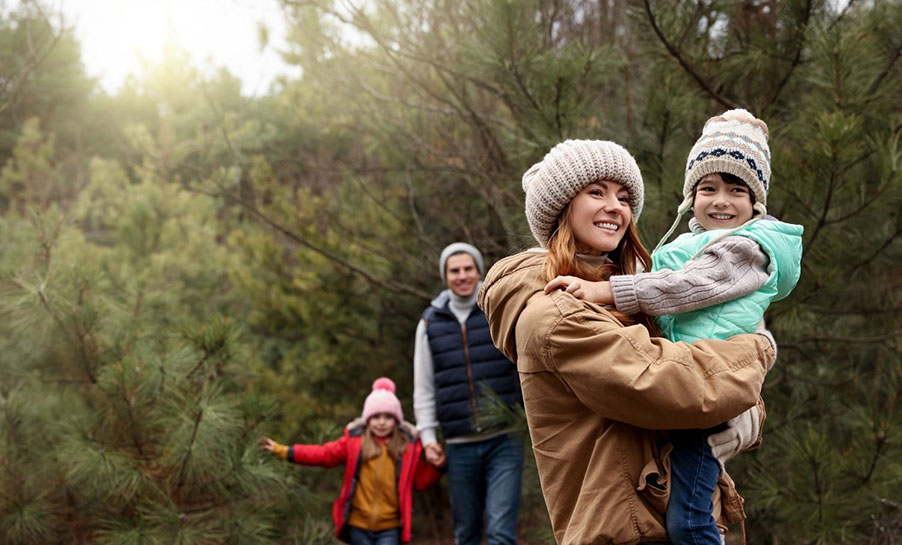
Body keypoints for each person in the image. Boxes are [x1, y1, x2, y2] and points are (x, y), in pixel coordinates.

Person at [477, 139, 776, 545]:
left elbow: (705, 390)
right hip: (625, 528)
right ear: (561, 207)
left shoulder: (614, 292)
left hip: (661, 515)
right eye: (596, 192)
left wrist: (745, 410)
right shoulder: (554, 313)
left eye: (623, 197)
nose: (615, 207)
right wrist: (758, 350)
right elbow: (670, 385)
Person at [543, 111, 803, 544]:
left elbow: (690, 287)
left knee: (690, 520)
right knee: (688, 511)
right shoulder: (689, 245)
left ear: (756, 202)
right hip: (685, 399)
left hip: (707, 404)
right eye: (708, 188)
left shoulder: (746, 247)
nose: (720, 200)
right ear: (690, 197)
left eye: (736, 189)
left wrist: (607, 291)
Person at [413, 242, 524, 545]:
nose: (462, 276)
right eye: (454, 270)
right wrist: (427, 437)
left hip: (505, 439)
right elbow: (423, 387)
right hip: (459, 445)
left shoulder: (498, 309)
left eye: (468, 269)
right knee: (467, 533)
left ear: (479, 271)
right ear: (445, 275)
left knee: (501, 532)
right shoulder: (430, 323)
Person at [260, 377, 444, 545]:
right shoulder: (355, 442)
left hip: (390, 526)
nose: (381, 422)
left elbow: (419, 481)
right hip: (358, 524)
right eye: (376, 417)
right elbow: (323, 454)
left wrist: (439, 467)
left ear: (396, 421)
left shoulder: (406, 448)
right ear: (367, 419)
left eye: (388, 417)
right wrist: (284, 451)